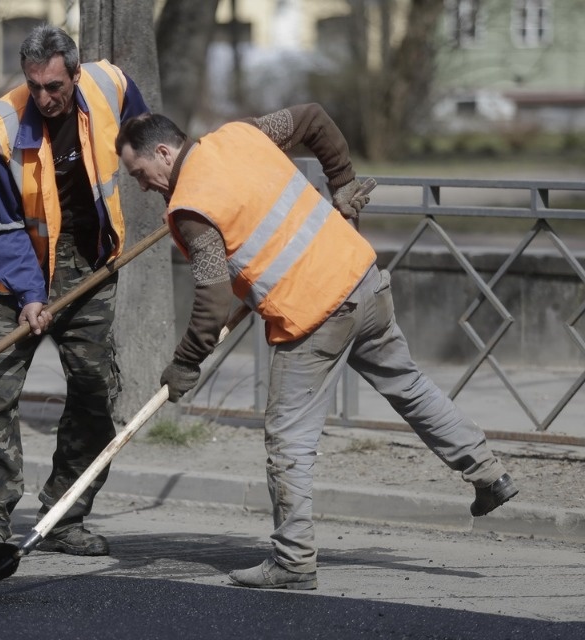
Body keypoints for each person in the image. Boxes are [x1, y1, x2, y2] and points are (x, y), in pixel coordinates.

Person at [114, 107, 519, 589]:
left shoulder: (191, 208)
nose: (143, 186)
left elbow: (213, 298)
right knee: (409, 386)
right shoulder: (242, 135)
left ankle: (293, 559)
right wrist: (342, 184)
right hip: (363, 281)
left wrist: (185, 363)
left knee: (288, 438)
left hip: (313, 318)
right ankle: (488, 473)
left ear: (164, 152)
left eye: (140, 173)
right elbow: (311, 118)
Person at [0, 25, 148, 556]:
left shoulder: (111, 86)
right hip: (16, 268)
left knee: (94, 393)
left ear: (76, 73)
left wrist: (184, 190)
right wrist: (29, 295)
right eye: (34, 86)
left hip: (90, 264)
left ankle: (64, 516)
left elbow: (150, 143)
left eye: (54, 87)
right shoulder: (2, 125)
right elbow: (1, 224)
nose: (44, 98)